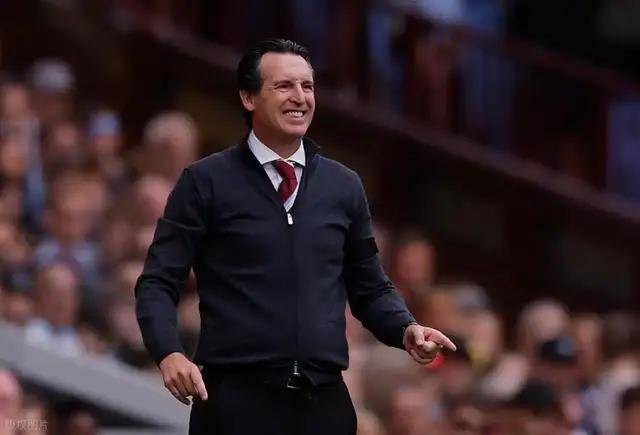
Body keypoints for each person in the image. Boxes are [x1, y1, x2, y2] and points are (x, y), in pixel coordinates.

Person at [135, 38, 456, 435]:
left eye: (307, 86)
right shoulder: (205, 182)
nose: (300, 98)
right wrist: (168, 352)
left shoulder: (343, 186)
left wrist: (405, 328)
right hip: (235, 404)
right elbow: (157, 281)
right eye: (284, 86)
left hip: (324, 407)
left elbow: (370, 288)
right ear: (248, 98)